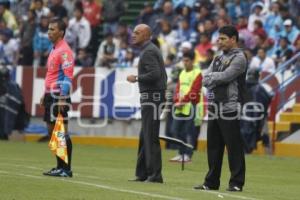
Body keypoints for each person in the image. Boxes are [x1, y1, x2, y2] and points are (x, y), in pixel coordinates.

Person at [194, 25, 247, 192]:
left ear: (233, 39)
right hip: (214, 106)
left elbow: (226, 76)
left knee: (233, 147)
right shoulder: (217, 57)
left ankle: (236, 182)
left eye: (224, 38)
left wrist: (212, 77)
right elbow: (204, 78)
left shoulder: (239, 58)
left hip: (230, 107)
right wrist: (212, 78)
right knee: (214, 147)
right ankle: (211, 182)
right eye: (219, 38)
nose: (220, 41)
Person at [127, 24, 167, 183]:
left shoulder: (149, 51)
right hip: (153, 96)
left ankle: (155, 175)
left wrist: (136, 78)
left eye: (137, 33)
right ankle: (142, 173)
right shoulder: (149, 49)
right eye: (134, 32)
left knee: (150, 136)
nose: (133, 35)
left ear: (146, 35)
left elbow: (155, 74)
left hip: (153, 97)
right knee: (145, 136)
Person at [40, 17, 74, 178]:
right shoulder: (54, 48)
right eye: (48, 29)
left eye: (52, 29)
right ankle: (59, 166)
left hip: (58, 95)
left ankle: (66, 169)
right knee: (52, 131)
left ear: (61, 32)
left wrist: (62, 97)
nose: (49, 32)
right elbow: (51, 74)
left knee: (61, 131)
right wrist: (44, 93)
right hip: (50, 94)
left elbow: (68, 76)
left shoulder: (65, 51)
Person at [169, 50, 202, 162]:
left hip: (191, 105)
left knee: (189, 132)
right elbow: (178, 89)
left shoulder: (197, 73)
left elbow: (195, 90)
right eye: (183, 60)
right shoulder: (182, 73)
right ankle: (181, 152)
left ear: (192, 61)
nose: (185, 63)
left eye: (187, 61)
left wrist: (183, 101)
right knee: (175, 130)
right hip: (180, 106)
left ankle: (188, 155)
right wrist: (176, 100)